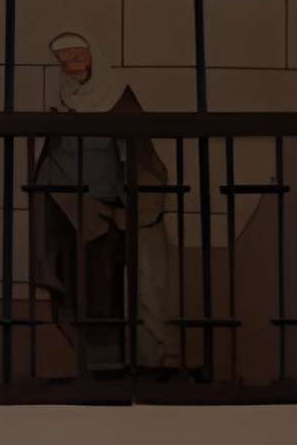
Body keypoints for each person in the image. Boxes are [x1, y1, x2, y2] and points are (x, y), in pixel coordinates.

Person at [27, 31, 182, 373]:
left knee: (128, 295)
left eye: (77, 58)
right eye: (64, 61)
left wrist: (124, 210)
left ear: (93, 57)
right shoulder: (64, 102)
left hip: (118, 216)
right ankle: (97, 369)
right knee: (81, 292)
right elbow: (52, 162)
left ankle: (135, 369)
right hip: (76, 219)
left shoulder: (119, 99)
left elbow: (141, 160)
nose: (71, 67)